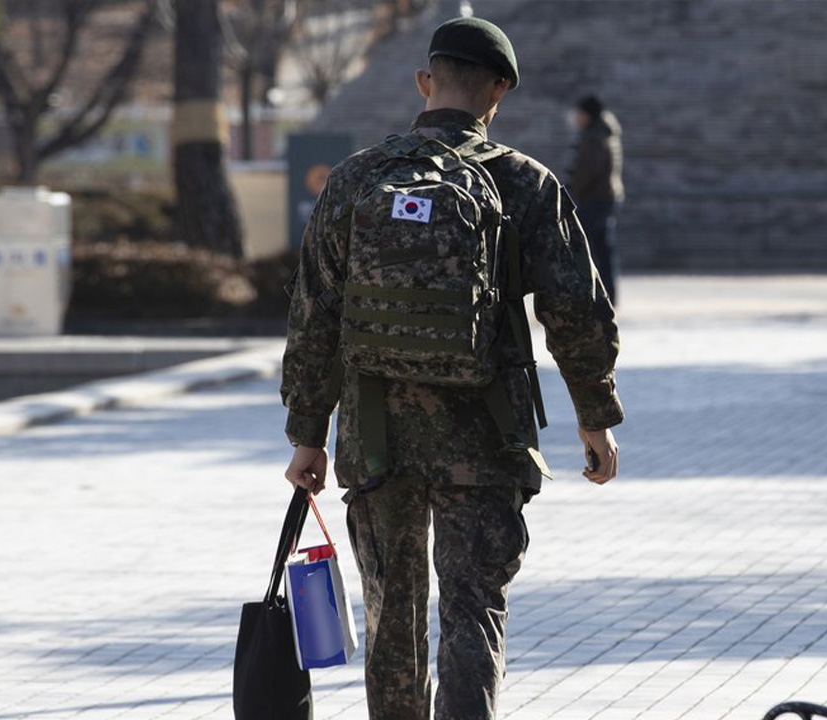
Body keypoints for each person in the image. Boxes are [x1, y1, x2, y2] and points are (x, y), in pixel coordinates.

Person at [280, 16, 623, 720]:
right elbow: (578, 313)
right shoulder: (526, 185)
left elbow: (313, 317)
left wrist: (307, 433)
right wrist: (596, 417)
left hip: (376, 440)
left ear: (424, 82)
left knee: (392, 619)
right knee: (473, 612)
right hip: (486, 439)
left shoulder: (355, 179)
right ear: (499, 92)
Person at [568, 94, 625, 304]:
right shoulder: (604, 133)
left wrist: (574, 190)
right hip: (605, 197)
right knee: (603, 248)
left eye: (579, 114)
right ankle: (607, 293)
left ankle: (596, 294)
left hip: (595, 199)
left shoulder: (595, 137)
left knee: (586, 247)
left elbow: (589, 172)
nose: (576, 118)